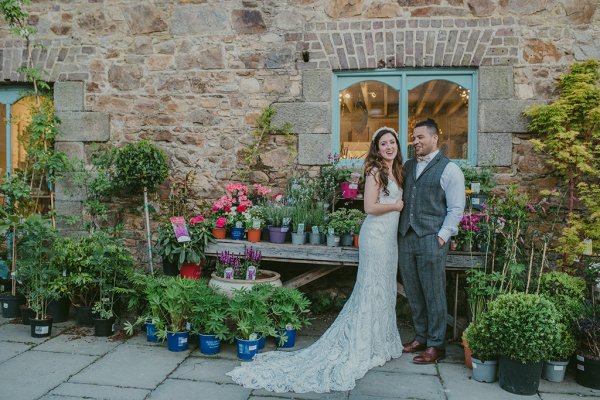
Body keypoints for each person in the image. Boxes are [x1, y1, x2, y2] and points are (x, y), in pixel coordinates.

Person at [226, 127, 405, 393]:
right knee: (371, 287)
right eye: (383, 143)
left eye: (392, 142)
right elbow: (369, 207)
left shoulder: (397, 170)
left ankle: (380, 341)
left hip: (389, 239)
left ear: (397, 146)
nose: (389, 147)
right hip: (376, 236)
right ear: (377, 149)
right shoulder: (375, 171)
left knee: (384, 287)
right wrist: (396, 205)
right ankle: (362, 343)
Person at [398, 118, 465, 364]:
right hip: (406, 237)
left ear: (435, 138)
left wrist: (442, 236)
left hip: (431, 238)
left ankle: (437, 345)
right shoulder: (406, 166)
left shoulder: (450, 169)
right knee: (413, 291)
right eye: (413, 138)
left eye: (420, 137)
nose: (415, 142)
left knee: (434, 292)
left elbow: (456, 208)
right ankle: (421, 337)